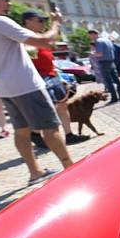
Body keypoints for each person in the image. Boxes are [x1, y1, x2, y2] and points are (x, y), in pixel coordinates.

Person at [0, 0, 73, 185]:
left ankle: (35, 171)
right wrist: (56, 23)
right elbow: (45, 41)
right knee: (50, 127)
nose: (8, 4)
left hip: (4, 87)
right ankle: (70, 167)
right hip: (26, 84)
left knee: (21, 130)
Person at [22, 10, 88, 145]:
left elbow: (48, 58)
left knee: (62, 106)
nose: (43, 23)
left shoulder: (40, 37)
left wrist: (59, 75)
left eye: (44, 21)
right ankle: (36, 134)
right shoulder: (25, 37)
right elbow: (29, 61)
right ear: (27, 21)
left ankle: (69, 135)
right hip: (40, 78)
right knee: (46, 110)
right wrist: (56, 23)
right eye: (39, 20)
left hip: (52, 76)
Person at [90, 30, 120, 103]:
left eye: (90, 35)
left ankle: (114, 98)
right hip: (111, 62)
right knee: (116, 80)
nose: (90, 37)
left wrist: (93, 54)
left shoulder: (98, 42)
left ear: (94, 34)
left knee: (108, 81)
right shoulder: (107, 40)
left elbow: (100, 54)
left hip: (104, 62)